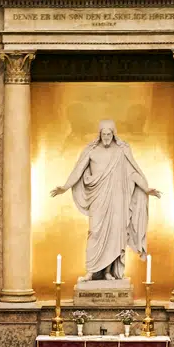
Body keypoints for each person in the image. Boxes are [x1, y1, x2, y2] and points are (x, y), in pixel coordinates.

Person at [50, 119, 161, 281]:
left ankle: (108, 272)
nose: (107, 137)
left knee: (115, 235)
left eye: (109, 134)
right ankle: (91, 271)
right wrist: (65, 187)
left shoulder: (121, 151)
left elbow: (133, 173)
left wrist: (146, 188)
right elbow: (78, 170)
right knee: (95, 231)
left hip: (117, 200)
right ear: (99, 134)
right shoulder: (91, 151)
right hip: (98, 198)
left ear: (114, 134)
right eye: (104, 134)